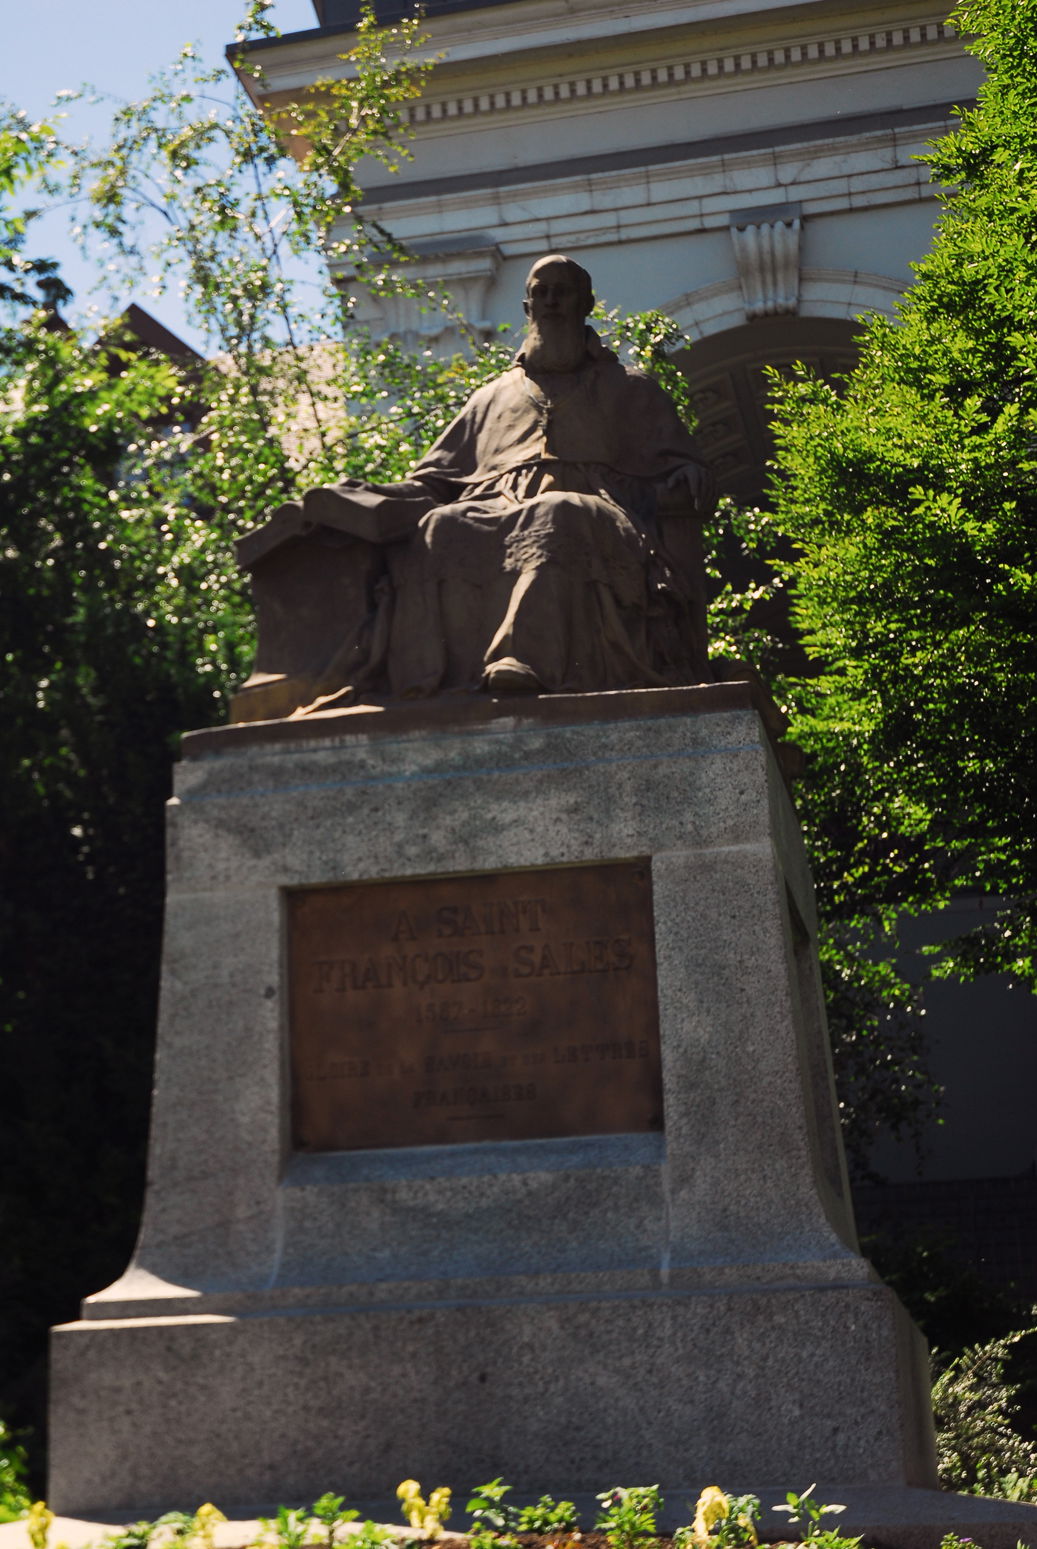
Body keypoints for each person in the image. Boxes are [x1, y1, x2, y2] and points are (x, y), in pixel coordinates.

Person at [238, 254, 714, 710]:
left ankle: (522, 659)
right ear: (527, 307)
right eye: (540, 293)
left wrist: (686, 471)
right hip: (497, 506)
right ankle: (432, 678)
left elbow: (676, 462)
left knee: (556, 512)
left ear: (585, 305)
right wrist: (365, 496)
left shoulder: (631, 388)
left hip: (598, 511)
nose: (550, 302)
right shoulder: (492, 396)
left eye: (562, 293)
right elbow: (435, 480)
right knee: (442, 526)